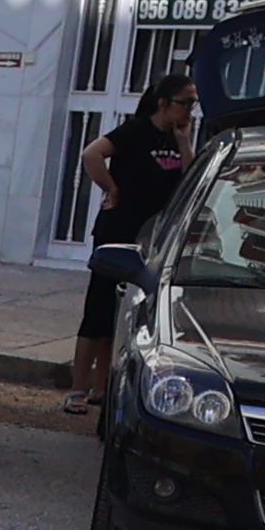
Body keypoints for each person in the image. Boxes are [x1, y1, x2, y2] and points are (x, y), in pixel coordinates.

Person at [67, 69, 198, 409]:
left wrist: (184, 141)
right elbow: (91, 154)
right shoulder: (135, 130)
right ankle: (78, 389)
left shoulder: (176, 139)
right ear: (164, 103)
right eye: (185, 103)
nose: (190, 111)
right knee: (98, 309)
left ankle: (103, 388)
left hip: (151, 239)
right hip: (118, 231)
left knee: (123, 313)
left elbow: (191, 181)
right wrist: (111, 188)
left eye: (193, 104)